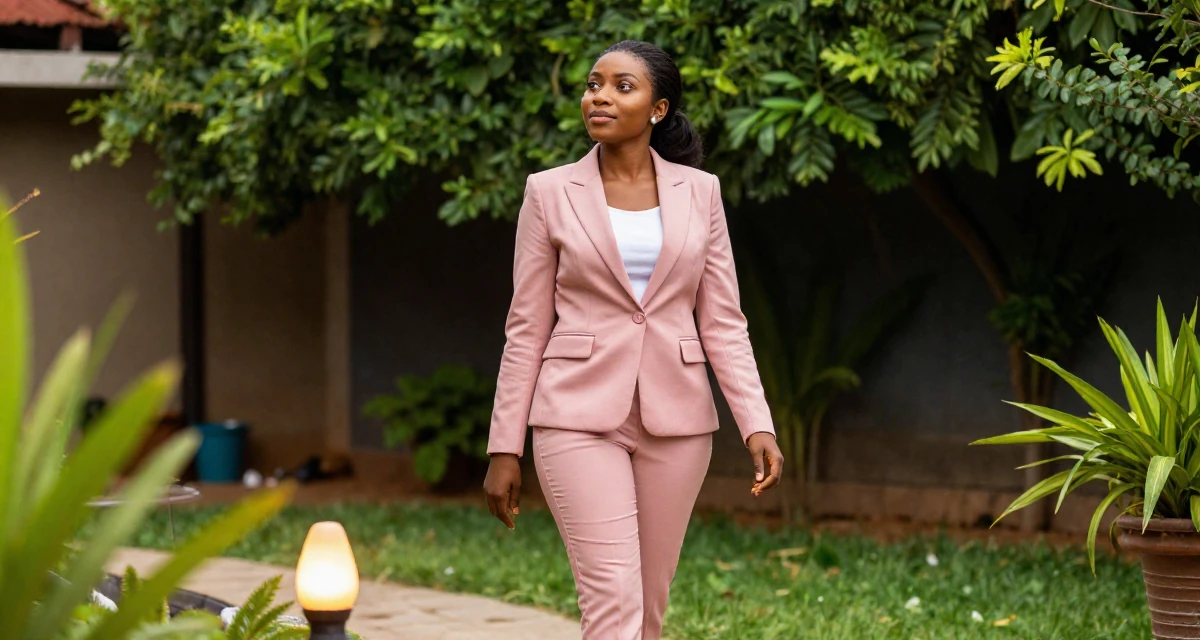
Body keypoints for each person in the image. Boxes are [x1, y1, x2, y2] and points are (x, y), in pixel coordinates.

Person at [483, 39, 784, 640]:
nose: (600, 96)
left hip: (678, 422)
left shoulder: (701, 193)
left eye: (623, 86)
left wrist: (757, 422)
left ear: (658, 109)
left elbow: (722, 319)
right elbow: (527, 324)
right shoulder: (548, 193)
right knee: (613, 603)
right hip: (576, 415)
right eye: (594, 84)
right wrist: (504, 445)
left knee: (647, 609)